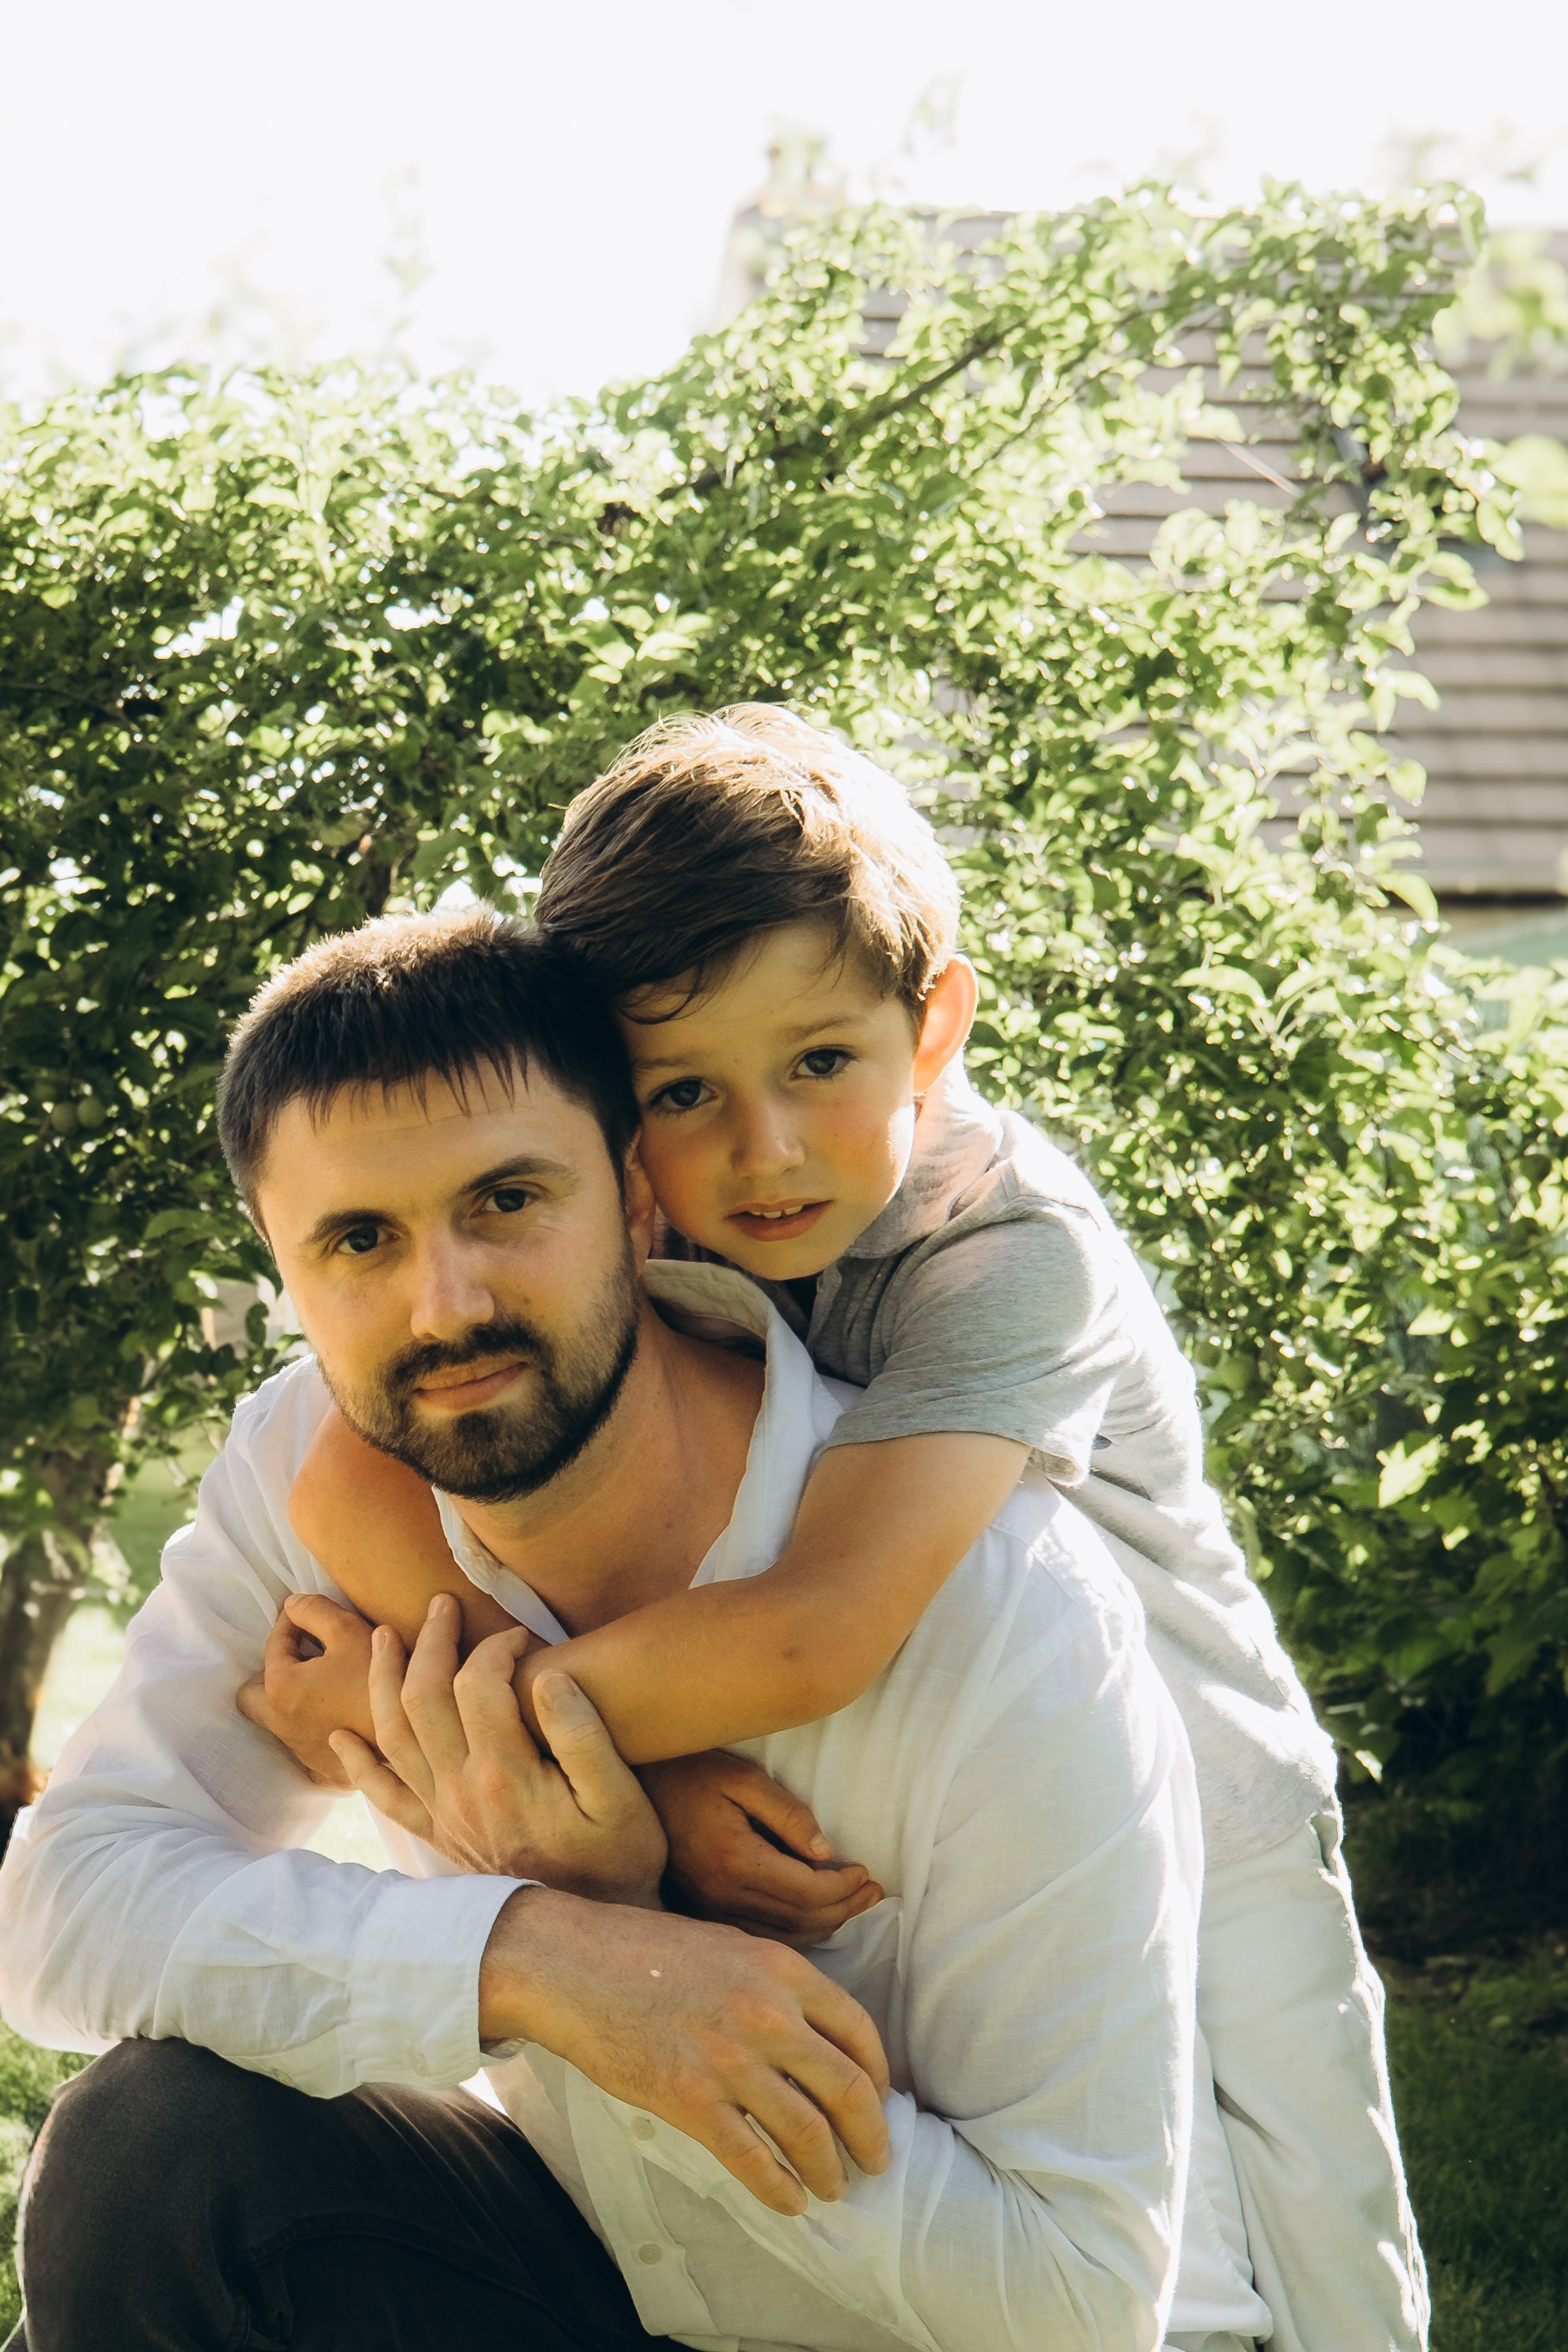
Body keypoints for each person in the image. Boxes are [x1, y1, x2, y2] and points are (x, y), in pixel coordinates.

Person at [274, 708, 1427, 2352]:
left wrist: (437, 1704)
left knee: (1313, 2231)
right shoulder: (613, 1221)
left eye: (822, 1060)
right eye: (685, 1089)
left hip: (1190, 1764)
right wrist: (647, 1780)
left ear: (933, 1022)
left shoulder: (1006, 1250)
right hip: (884, 1736)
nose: (766, 1148)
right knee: (949, 2133)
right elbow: (340, 1479)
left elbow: (821, 1623)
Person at [0, 910, 1264, 2352]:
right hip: (600, 2268)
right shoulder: (311, 1461)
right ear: (288, 1277)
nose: (446, 1302)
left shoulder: (1000, 1611)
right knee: (154, 2155)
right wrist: (546, 1959)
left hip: (957, 2327)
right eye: (360, 1239)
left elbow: (1074, 2301)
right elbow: (65, 1903)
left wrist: (676, 2002)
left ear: (637, 1196)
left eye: (507, 1201)